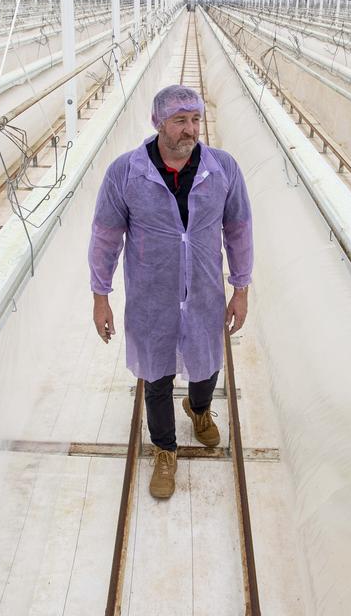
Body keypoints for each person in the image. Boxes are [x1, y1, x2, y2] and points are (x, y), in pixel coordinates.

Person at [88, 84, 254, 499]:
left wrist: (241, 288)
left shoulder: (223, 170)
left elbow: (238, 230)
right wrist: (100, 295)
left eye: (195, 119)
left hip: (203, 293)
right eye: (180, 120)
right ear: (158, 122)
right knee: (156, 375)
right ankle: (164, 448)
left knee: (206, 363)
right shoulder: (125, 173)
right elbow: (106, 238)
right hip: (151, 297)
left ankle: (198, 409)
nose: (190, 129)